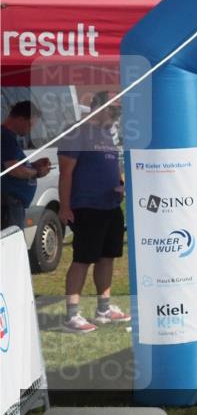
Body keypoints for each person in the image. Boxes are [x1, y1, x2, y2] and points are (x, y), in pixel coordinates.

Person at [58, 92, 130, 333]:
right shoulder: (77, 131)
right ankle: (72, 315)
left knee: (107, 257)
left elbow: (109, 166)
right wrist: (65, 206)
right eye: (114, 110)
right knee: (82, 259)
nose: (116, 116)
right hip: (87, 207)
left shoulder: (106, 134)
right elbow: (66, 172)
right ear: (97, 107)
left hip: (110, 205)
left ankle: (104, 309)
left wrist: (120, 184)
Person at [1, 101, 52, 230]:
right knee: (12, 244)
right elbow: (13, 170)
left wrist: (32, 165)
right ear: (20, 119)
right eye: (29, 125)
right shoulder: (5, 136)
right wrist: (37, 172)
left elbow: (11, 164)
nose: (30, 130)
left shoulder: (10, 137)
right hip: (9, 204)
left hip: (12, 204)